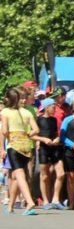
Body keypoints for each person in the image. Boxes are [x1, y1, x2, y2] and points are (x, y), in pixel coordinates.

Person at [1, 87, 40, 215]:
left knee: (19, 175)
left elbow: (4, 131)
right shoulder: (27, 112)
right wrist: (26, 133)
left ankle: (29, 201)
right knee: (16, 176)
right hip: (26, 146)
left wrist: (2, 146)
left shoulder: (5, 112)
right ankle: (11, 205)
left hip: (14, 146)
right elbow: (36, 130)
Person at [35, 97, 63, 209]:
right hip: (44, 149)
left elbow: (56, 133)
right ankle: (46, 201)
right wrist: (43, 140)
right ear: (47, 107)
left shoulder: (54, 120)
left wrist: (57, 139)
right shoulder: (39, 120)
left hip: (54, 148)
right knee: (44, 176)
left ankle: (55, 199)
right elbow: (32, 135)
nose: (54, 108)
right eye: (52, 106)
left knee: (61, 173)